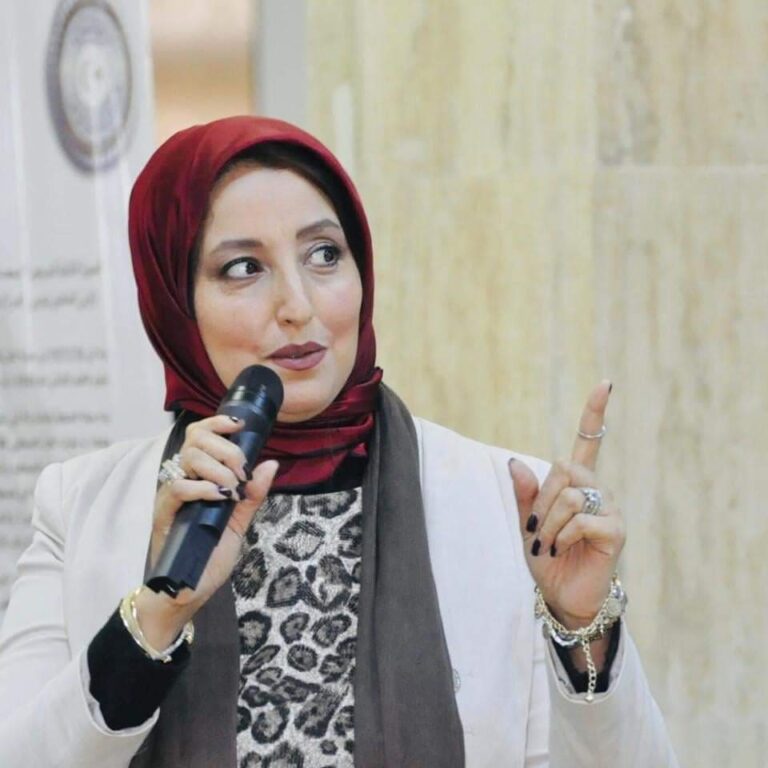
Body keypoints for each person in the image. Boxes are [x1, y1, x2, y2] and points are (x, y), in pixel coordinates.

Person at [0, 116, 679, 767]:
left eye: (324, 254)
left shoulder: (510, 504)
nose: (299, 306)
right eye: (243, 267)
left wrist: (583, 627)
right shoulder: (81, 506)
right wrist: (157, 613)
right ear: (173, 301)